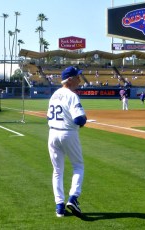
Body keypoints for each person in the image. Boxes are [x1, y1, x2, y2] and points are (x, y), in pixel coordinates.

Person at [47, 66, 87, 218]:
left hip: (52, 133)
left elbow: (47, 117)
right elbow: (79, 119)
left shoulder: (54, 95)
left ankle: (59, 207)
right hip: (68, 133)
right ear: (70, 79)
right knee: (78, 166)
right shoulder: (72, 95)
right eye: (77, 77)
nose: (79, 79)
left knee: (57, 171)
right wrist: (84, 120)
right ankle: (73, 198)